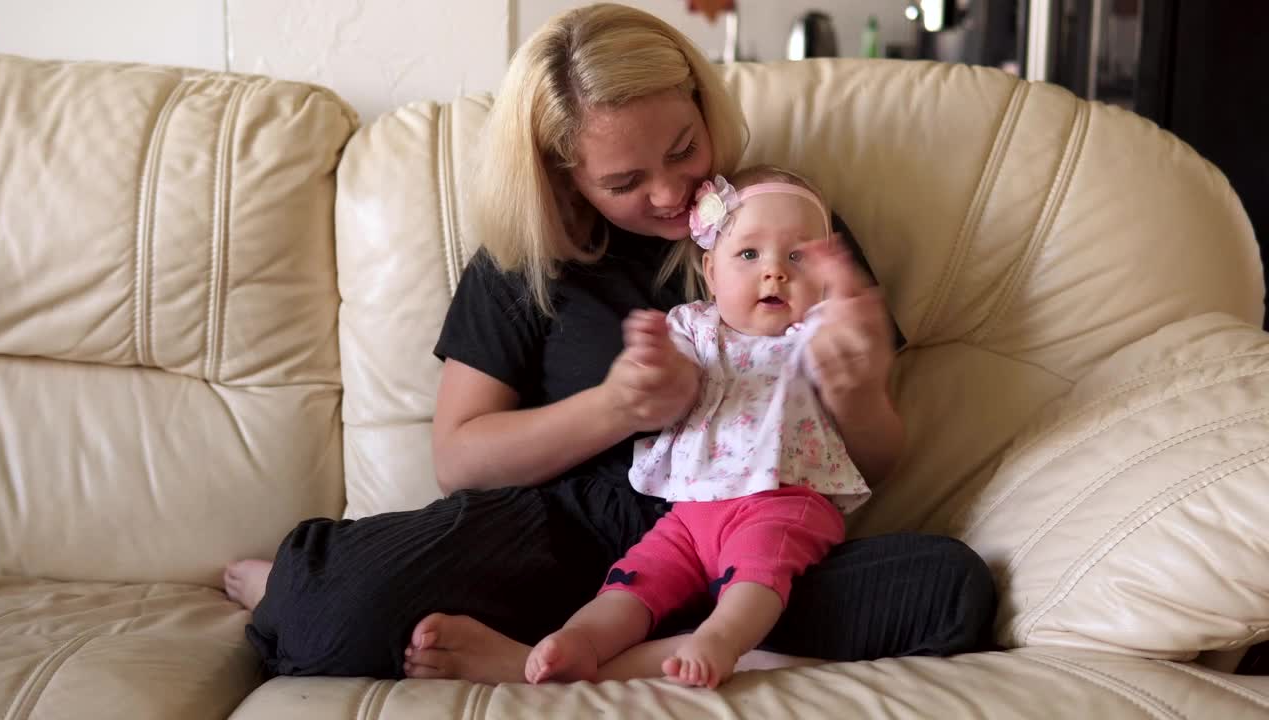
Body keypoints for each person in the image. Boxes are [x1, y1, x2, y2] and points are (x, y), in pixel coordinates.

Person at [224, 2, 995, 684]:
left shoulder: (784, 225)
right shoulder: (524, 262)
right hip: (567, 533)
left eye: (684, 148)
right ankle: (321, 587)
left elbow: (875, 459)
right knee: (332, 613)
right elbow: (459, 456)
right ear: (565, 178)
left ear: (703, 106)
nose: (668, 194)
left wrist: (859, 391)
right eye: (624, 182)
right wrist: (616, 407)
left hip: (759, 538)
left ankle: (550, 661)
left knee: (948, 591)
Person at [525, 165, 874, 689]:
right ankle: (582, 640)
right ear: (710, 272)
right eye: (749, 255)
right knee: (633, 580)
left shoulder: (814, 331)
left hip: (783, 502)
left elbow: (848, 338)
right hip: (690, 514)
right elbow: (681, 380)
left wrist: (849, 311)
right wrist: (655, 360)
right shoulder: (692, 326)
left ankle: (720, 640)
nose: (774, 272)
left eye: (798, 256)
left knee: (760, 569)